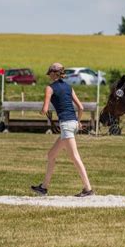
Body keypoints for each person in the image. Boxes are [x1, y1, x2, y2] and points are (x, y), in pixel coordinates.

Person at [31, 63, 94, 197]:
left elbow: (45, 109)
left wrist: (42, 112)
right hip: (73, 124)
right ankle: (44, 187)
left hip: (65, 125)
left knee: (75, 157)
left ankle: (88, 189)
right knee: (51, 155)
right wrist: (78, 121)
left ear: (53, 73)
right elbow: (81, 107)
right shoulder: (69, 87)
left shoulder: (49, 88)